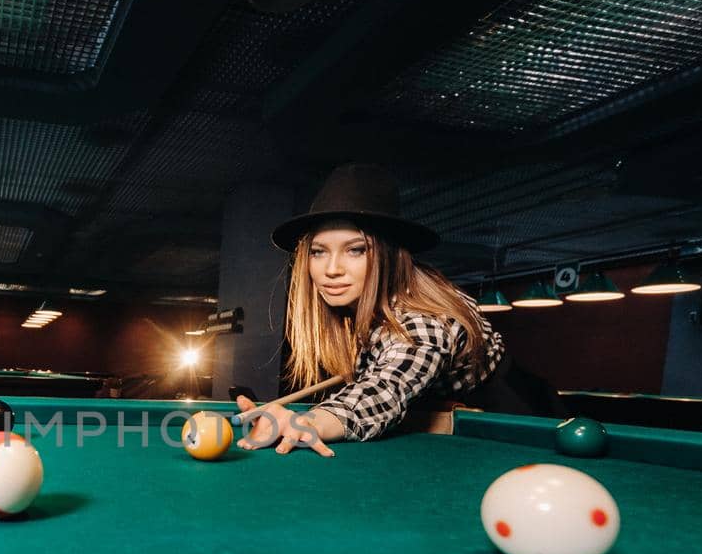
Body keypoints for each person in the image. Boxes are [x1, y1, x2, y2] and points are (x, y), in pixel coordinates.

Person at [237, 164, 563, 457]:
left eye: (355, 250)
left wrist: (311, 421)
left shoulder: (425, 318)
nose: (331, 269)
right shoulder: (352, 308)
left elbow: (385, 388)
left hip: (521, 426)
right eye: (319, 252)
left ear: (388, 254)